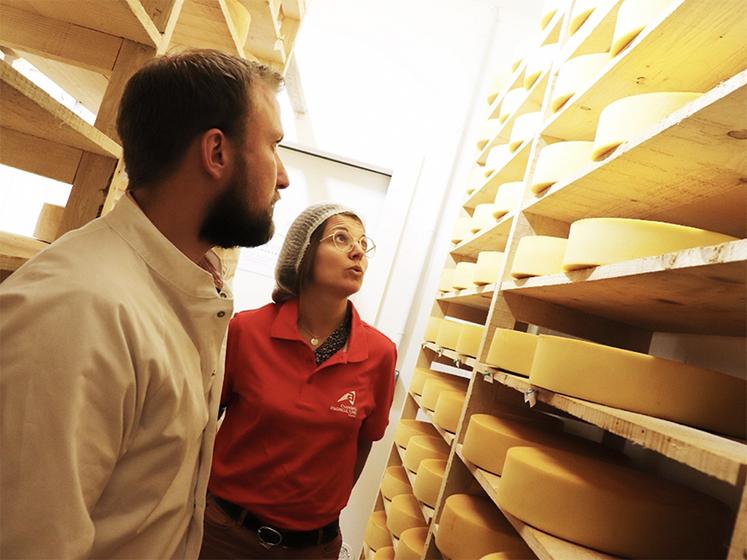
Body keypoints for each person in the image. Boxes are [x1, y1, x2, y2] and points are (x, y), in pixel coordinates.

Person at [0, 50, 289, 558]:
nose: (283, 177)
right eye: (273, 147)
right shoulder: (78, 312)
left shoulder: (189, 286)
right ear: (217, 153)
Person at [200, 203, 397, 559]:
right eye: (341, 238)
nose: (358, 251)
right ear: (303, 253)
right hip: (224, 535)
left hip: (312, 548)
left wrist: (316, 507)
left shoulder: (380, 353)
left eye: (363, 244)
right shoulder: (246, 330)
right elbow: (204, 418)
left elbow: (363, 443)